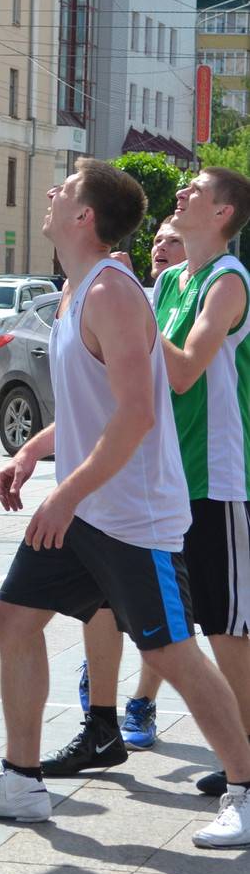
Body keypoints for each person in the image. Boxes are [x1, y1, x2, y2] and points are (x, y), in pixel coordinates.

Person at [0, 160, 250, 848]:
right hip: (87, 505)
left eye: (63, 190)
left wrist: (66, 494)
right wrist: (32, 452)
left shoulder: (111, 291)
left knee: (171, 650)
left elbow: (138, 414)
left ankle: (244, 787)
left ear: (84, 217)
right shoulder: (79, 288)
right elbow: (95, 406)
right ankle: (21, 783)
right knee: (12, 617)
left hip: (131, 514)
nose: (49, 195)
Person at [69, 170, 250, 799]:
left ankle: (246, 773)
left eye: (196, 190)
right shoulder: (171, 280)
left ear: (223, 211)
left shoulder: (227, 283)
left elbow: (183, 373)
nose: (183, 193)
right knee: (161, 621)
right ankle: (109, 722)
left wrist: (133, 304)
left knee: (226, 629)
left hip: (220, 479)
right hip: (169, 480)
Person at [54, 216, 186, 774]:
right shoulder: (102, 288)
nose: (160, 247)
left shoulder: (207, 286)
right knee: (23, 614)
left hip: (171, 482)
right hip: (100, 489)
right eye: (156, 238)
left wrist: (138, 319)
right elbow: (91, 406)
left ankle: (151, 706)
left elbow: (173, 381)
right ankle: (101, 724)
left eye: (172, 240)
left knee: (177, 639)